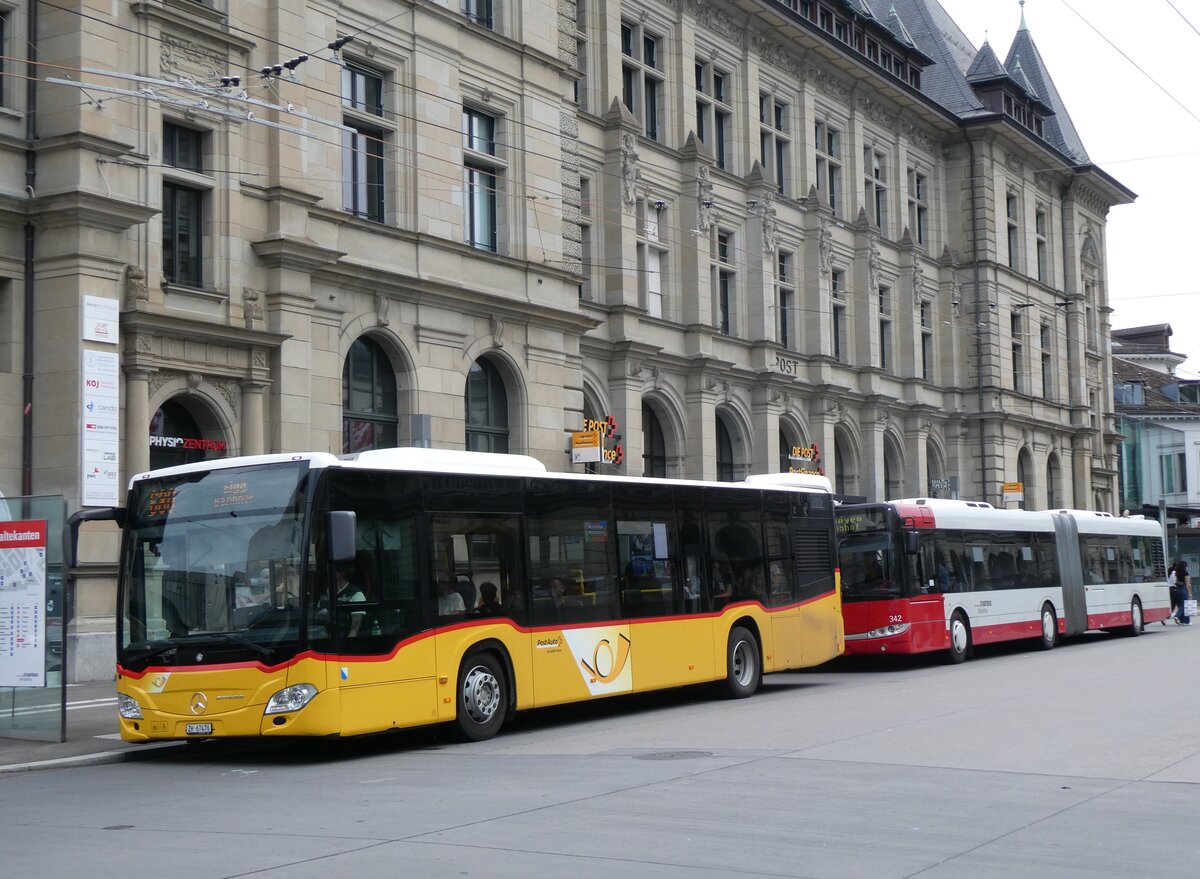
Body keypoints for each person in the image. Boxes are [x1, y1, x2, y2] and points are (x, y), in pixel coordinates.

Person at [335, 563, 367, 636]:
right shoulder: (326, 591)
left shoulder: (356, 594)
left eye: (334, 570)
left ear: (342, 573)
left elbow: (355, 627)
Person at [1175, 561, 1192, 626]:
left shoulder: (1177, 573)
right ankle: (1177, 616)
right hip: (1184, 589)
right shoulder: (1185, 573)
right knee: (1185, 605)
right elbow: (1187, 584)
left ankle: (1184, 621)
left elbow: (1176, 582)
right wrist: (1190, 593)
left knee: (1182, 604)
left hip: (1179, 589)